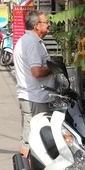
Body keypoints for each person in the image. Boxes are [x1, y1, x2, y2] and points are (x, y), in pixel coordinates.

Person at [13, 10, 54, 157]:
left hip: (33, 95)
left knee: (32, 135)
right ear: (37, 25)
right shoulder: (31, 43)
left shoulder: (30, 41)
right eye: (46, 22)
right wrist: (53, 68)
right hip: (34, 97)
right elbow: (36, 72)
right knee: (32, 138)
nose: (49, 25)